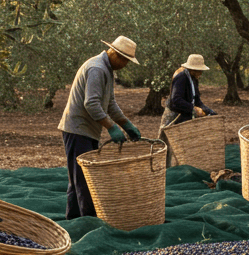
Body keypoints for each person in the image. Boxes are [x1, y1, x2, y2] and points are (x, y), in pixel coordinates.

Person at [59, 36, 143, 219]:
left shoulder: (107, 70)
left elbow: (110, 103)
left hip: (86, 130)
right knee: (84, 181)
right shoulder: (97, 69)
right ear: (115, 54)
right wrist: (111, 127)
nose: (125, 65)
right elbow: (91, 104)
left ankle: (73, 219)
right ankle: (88, 222)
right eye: (125, 61)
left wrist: (126, 124)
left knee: (78, 179)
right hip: (78, 129)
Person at [160, 53, 217, 130]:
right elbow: (176, 100)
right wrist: (193, 109)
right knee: (165, 136)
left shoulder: (194, 79)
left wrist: (208, 111)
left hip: (185, 114)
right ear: (193, 70)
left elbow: (197, 100)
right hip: (174, 114)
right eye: (199, 70)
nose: (201, 73)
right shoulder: (181, 78)